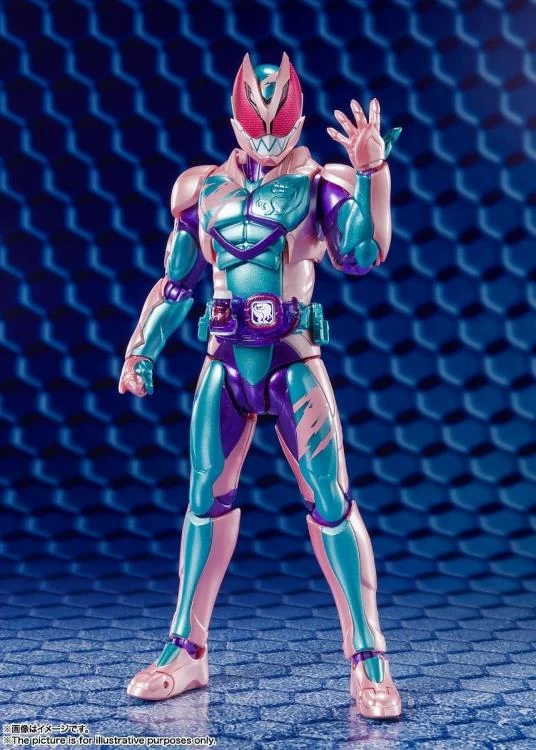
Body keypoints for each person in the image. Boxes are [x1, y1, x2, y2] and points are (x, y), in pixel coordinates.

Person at [119, 52, 402, 720]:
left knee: (331, 503)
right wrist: (141, 348)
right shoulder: (200, 190)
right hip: (223, 363)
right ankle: (185, 650)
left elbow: (362, 255)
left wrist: (372, 173)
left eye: (279, 127)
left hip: (292, 362)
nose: (268, 139)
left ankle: (370, 660)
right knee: (203, 502)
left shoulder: (320, 183)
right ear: (235, 121)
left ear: (297, 121)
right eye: (256, 126)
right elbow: (177, 284)